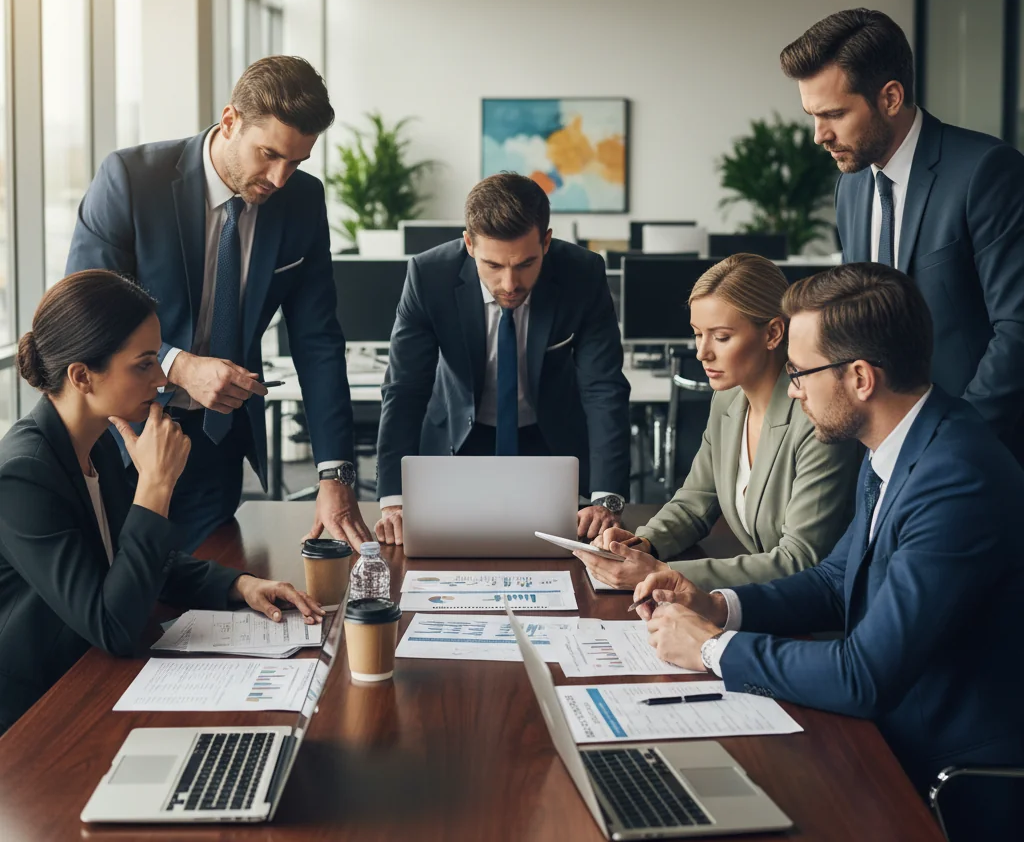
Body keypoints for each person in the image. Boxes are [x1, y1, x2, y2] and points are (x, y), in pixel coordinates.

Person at [633, 263, 1024, 837]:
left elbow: (865, 674)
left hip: (941, 772)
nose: (792, 390)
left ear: (860, 377)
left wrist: (715, 649)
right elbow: (833, 580)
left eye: (800, 373)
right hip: (883, 733)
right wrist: (717, 605)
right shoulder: (897, 444)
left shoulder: (955, 478)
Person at [66, 56, 371, 552]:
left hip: (214, 440)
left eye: (296, 162)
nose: (278, 177)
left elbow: (317, 339)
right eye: (268, 154)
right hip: (119, 433)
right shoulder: (130, 180)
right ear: (230, 122)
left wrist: (334, 472)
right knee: (119, 599)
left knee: (212, 592)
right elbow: (81, 314)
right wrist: (177, 364)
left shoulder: (302, 202)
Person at [0, 271, 324, 735]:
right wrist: (155, 486)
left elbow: (139, 562)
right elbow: (112, 624)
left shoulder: (97, 445)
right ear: (81, 376)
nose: (162, 381)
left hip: (90, 676)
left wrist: (240, 586)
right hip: (37, 711)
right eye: (144, 365)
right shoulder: (23, 474)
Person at [780, 8, 1024, 464]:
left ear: (890, 97)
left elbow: (1017, 327)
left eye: (833, 113)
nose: (819, 135)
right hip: (880, 453)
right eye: (812, 115)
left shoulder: (985, 172)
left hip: (973, 452)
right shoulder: (850, 187)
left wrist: (954, 443)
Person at [374, 173, 631, 545]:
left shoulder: (582, 274)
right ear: (469, 244)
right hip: (457, 441)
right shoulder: (429, 275)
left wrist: (606, 496)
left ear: (546, 240)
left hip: (549, 443)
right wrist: (394, 500)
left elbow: (603, 387)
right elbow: (404, 388)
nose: (510, 284)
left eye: (526, 263)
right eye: (493, 266)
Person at [576, 254, 859, 592]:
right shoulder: (729, 400)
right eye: (698, 334)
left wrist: (664, 574)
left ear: (772, 333)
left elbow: (799, 559)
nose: (702, 353)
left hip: (819, 611)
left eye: (721, 337)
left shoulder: (816, 419)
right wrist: (640, 546)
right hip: (762, 597)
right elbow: (695, 502)